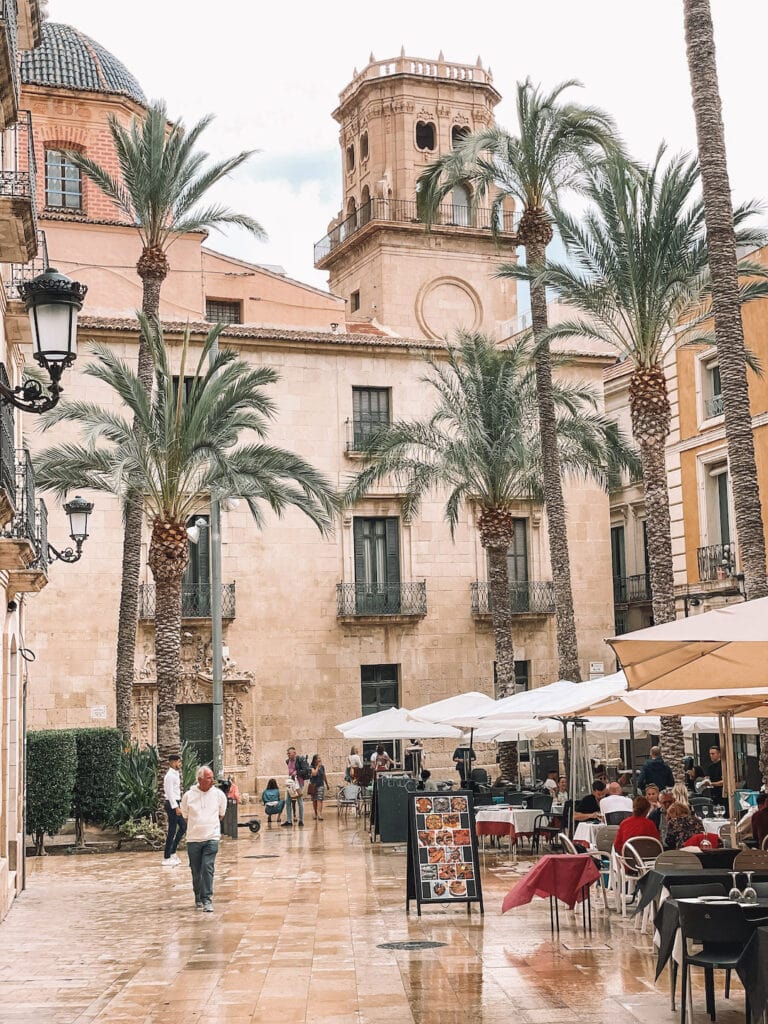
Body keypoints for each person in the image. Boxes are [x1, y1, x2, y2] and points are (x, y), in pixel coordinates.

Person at [180, 765, 227, 912]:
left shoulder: (219, 795)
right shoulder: (188, 796)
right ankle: (198, 896)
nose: (212, 780)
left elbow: (221, 814)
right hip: (194, 839)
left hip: (211, 837)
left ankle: (207, 899)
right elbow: (185, 815)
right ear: (200, 779)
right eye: (209, 777)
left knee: (207, 867)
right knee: (196, 870)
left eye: (212, 777)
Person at [162, 752, 186, 867]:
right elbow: (169, 792)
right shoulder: (169, 776)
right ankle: (167, 856)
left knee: (183, 826)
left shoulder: (175, 774)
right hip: (172, 804)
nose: (179, 764)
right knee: (172, 830)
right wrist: (175, 807)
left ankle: (172, 851)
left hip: (176, 803)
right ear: (172, 762)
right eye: (178, 762)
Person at [282, 746, 305, 827]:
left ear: (294, 753)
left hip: (299, 783)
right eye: (287, 753)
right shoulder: (287, 761)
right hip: (290, 783)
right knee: (287, 801)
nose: (288, 755)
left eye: (289, 753)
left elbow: (305, 770)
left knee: (300, 801)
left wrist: (297, 772)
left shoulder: (299, 760)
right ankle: (289, 820)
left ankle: (301, 820)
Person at [707, 746, 727, 812]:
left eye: (713, 754)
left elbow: (725, 781)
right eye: (710, 754)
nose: (711, 756)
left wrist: (712, 783)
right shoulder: (710, 767)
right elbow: (708, 778)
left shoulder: (723, 766)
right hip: (712, 794)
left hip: (722, 795)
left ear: (719, 754)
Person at [309, 754, 327, 820]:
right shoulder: (311, 767)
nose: (319, 759)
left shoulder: (322, 767)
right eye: (318, 758)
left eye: (320, 758)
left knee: (320, 799)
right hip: (313, 786)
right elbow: (314, 773)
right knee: (314, 800)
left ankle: (319, 814)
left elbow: (324, 776)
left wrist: (327, 784)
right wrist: (317, 767)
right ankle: (315, 813)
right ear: (315, 760)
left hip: (320, 785)